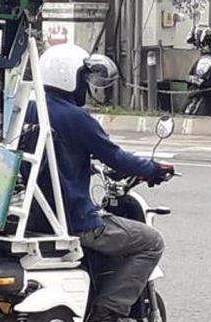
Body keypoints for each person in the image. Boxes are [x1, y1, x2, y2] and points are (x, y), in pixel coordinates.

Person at [24, 43, 174, 322]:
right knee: (151, 241)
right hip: (74, 221)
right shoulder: (76, 117)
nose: (86, 85)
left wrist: (87, 164)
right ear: (69, 77)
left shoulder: (29, 109)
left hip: (32, 219)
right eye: (84, 77)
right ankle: (108, 311)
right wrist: (153, 169)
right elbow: (117, 158)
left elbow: (51, 156)